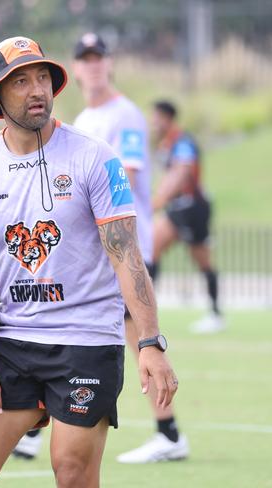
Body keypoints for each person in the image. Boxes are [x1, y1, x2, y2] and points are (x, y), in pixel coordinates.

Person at [0, 35, 178, 488]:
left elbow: (126, 255)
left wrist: (150, 342)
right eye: (20, 82)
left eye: (42, 78)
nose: (37, 90)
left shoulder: (95, 157)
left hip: (86, 338)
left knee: (71, 469)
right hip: (12, 342)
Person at [61, 32, 188, 465]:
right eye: (85, 58)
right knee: (120, 339)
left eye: (99, 57)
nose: (93, 65)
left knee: (134, 341)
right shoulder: (82, 117)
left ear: (109, 64)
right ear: (75, 68)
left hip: (125, 251)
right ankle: (168, 432)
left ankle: (168, 433)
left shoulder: (126, 116)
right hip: (97, 252)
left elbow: (127, 182)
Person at [150, 100, 223, 334]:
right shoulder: (166, 144)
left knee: (202, 260)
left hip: (192, 208)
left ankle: (215, 314)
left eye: (156, 118)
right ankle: (146, 312)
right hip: (176, 209)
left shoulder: (183, 142)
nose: (153, 123)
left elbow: (181, 174)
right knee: (151, 247)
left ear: (167, 118)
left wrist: (157, 201)